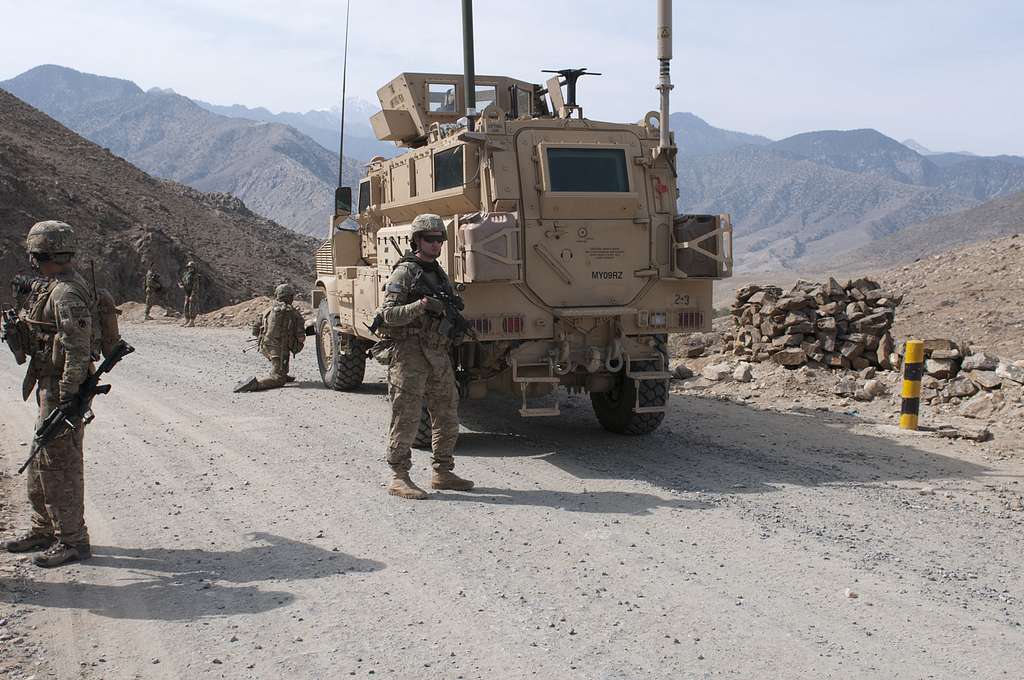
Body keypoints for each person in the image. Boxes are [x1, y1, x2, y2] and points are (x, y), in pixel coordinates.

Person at [2, 221, 94, 567]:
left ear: (47, 254)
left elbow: (78, 349)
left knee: (60, 466)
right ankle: (44, 529)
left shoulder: (67, 294)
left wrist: (70, 394)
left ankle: (72, 540)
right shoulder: (51, 287)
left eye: (35, 254)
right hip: (48, 385)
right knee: (42, 460)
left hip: (61, 389)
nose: (31, 260)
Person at [378, 213, 473, 499]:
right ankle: (399, 476)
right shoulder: (405, 272)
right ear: (417, 240)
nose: (437, 245)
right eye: (431, 240)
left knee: (446, 412)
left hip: (437, 352)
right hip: (409, 354)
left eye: (440, 240)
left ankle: (442, 471)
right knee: (405, 415)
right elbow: (388, 315)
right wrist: (419, 306)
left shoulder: (438, 273)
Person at [234, 284, 305, 392]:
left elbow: (255, 330)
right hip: (280, 350)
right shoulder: (293, 313)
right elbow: (300, 338)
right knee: (279, 379)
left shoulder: (267, 310)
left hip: (265, 347)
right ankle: (255, 385)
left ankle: (281, 371)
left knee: (281, 366)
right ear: (290, 297)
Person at [178, 261, 201, 327]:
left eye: (191, 267)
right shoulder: (186, 274)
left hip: (192, 293)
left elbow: (195, 286)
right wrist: (181, 285)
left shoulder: (195, 276)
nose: (190, 268)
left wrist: (192, 295)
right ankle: (187, 320)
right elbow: (184, 282)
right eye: (189, 267)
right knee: (186, 307)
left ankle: (192, 321)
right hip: (187, 292)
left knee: (192, 307)